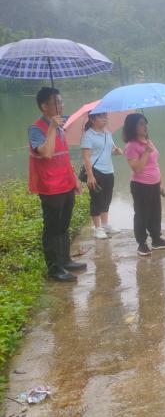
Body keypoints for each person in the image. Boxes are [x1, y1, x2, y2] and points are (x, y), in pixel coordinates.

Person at [28, 87, 87, 282]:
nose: (61, 105)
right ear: (44, 106)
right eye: (56, 102)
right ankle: (55, 269)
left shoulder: (61, 125)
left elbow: (63, 156)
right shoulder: (36, 128)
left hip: (66, 182)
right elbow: (46, 153)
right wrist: (52, 128)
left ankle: (65, 260)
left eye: (61, 101)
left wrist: (75, 179)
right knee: (52, 228)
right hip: (50, 186)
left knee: (64, 225)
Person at [123, 113, 165, 256]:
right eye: (140, 123)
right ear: (133, 127)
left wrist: (160, 183)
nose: (145, 126)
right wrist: (146, 151)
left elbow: (155, 163)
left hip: (154, 183)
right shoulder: (131, 146)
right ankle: (142, 244)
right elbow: (137, 169)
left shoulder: (148, 141)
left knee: (156, 213)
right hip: (140, 185)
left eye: (145, 123)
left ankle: (156, 239)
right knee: (142, 215)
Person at [80, 112, 122, 239]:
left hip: (109, 170)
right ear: (92, 119)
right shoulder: (88, 136)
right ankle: (98, 228)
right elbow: (86, 158)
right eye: (101, 117)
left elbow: (112, 149)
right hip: (95, 170)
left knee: (107, 198)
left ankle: (105, 225)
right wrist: (90, 176)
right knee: (96, 199)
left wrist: (117, 151)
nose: (105, 119)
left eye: (106, 117)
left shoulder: (107, 133)